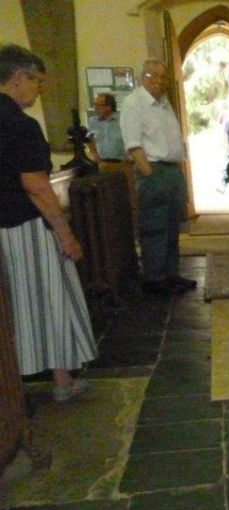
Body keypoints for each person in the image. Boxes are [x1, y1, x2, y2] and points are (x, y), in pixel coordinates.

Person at [0, 44, 96, 402]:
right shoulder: (20, 125)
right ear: (18, 77)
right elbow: (37, 187)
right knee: (48, 301)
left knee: (11, 309)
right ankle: (60, 382)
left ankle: (22, 388)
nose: (40, 89)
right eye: (37, 80)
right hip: (24, 229)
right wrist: (66, 234)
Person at [120, 59, 195, 295]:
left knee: (172, 227)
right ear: (144, 77)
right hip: (153, 170)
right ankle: (155, 279)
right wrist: (150, 175)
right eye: (156, 76)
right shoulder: (134, 103)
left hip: (171, 170)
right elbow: (134, 145)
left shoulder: (163, 102)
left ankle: (171, 275)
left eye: (164, 77)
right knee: (154, 228)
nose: (161, 82)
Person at [86, 92, 138, 231]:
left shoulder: (123, 119)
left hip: (123, 165)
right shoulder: (93, 122)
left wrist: (129, 157)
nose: (95, 108)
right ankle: (114, 232)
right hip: (104, 166)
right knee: (107, 201)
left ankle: (135, 232)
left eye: (99, 105)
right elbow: (88, 139)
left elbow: (133, 137)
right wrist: (93, 153)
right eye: (95, 104)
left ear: (109, 107)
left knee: (131, 200)